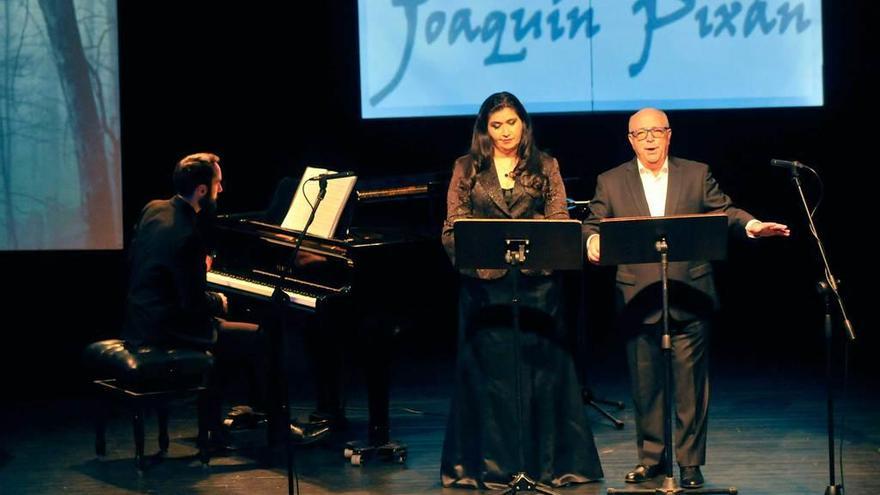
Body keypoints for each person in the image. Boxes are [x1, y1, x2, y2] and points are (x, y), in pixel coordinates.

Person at [583, 108, 789, 488]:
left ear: (669, 135)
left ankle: (690, 462)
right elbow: (593, 223)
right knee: (645, 387)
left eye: (656, 131)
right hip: (637, 296)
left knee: (691, 388)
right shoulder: (610, 181)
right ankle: (652, 460)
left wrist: (753, 226)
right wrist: (592, 240)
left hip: (690, 294)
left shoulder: (695, 174)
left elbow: (724, 212)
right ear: (630, 139)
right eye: (640, 133)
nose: (649, 138)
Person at [440, 92, 603, 489]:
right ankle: (493, 469)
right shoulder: (467, 167)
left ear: (523, 124)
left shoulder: (546, 165)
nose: (505, 132)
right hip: (485, 292)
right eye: (496, 125)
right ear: (485, 129)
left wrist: (539, 258)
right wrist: (481, 265)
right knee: (492, 381)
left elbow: (560, 222)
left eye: (511, 123)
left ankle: (546, 466)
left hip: (538, 290)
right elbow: (451, 230)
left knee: (542, 379)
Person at [122, 152, 266, 448]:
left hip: (141, 320)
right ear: (202, 190)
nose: (221, 190)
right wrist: (219, 300)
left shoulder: (154, 209)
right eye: (218, 183)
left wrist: (195, 270)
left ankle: (215, 422)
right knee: (260, 338)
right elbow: (192, 304)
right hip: (169, 329)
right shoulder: (188, 233)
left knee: (228, 335)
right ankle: (274, 424)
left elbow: (151, 263)